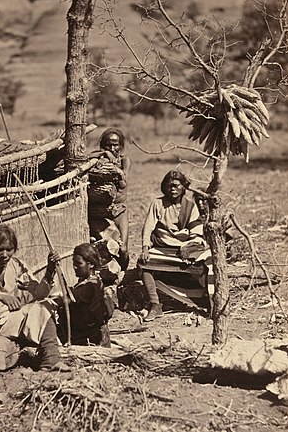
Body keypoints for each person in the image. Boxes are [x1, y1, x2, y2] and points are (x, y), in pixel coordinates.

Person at [0, 224, 71, 382]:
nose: (4, 255)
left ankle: (51, 359)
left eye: (9, 249)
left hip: (7, 323)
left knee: (43, 306)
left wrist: (50, 270)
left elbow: (39, 293)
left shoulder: (16, 265)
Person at [138, 170, 207, 321]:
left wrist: (189, 248)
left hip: (185, 248)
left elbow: (196, 232)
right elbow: (148, 228)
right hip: (162, 246)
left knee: (204, 266)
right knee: (144, 264)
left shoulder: (190, 206)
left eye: (176, 186)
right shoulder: (158, 204)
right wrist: (145, 248)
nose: (172, 189)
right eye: (169, 186)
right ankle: (155, 304)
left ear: (184, 187)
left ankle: (202, 300)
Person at [88, 128, 132, 271]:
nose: (113, 148)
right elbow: (86, 157)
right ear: (103, 145)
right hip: (101, 212)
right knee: (102, 247)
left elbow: (123, 183)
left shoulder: (125, 161)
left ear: (121, 145)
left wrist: (114, 169)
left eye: (116, 145)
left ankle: (124, 275)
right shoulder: (99, 160)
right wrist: (104, 155)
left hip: (119, 210)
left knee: (123, 249)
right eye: (108, 145)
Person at [57, 243, 114, 347]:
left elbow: (66, 301)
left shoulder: (90, 285)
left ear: (91, 264)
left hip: (90, 340)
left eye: (79, 263)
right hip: (91, 334)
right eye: (73, 263)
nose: (74, 267)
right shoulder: (89, 281)